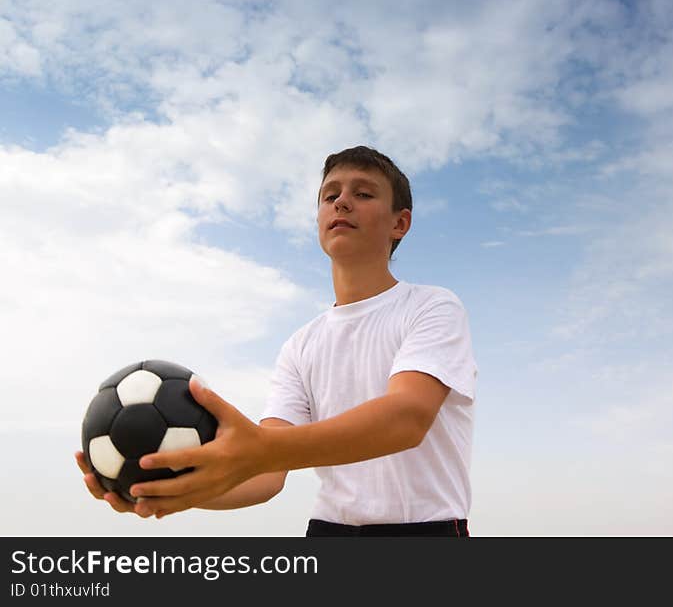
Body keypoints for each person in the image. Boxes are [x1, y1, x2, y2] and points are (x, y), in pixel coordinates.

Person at [76, 145, 478, 537]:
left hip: (425, 531)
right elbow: (266, 474)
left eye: (363, 193)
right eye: (330, 195)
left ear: (399, 223)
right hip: (328, 533)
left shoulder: (432, 307)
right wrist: (171, 487)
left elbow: (406, 419)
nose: (341, 203)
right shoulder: (301, 344)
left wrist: (261, 447)